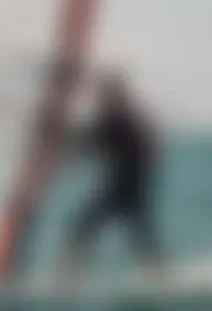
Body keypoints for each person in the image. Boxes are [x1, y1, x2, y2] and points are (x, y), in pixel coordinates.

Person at [62, 71, 164, 276]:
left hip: (122, 186)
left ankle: (67, 282)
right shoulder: (128, 118)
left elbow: (87, 143)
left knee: (82, 229)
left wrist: (65, 137)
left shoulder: (114, 119)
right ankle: (161, 279)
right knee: (142, 238)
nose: (98, 99)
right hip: (134, 186)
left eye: (102, 95)